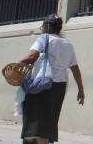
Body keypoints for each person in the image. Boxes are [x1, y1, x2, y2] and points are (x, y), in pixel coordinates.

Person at [12, 14, 85, 144]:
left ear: (47, 26)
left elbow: (32, 55)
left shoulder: (44, 38)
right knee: (48, 122)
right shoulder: (67, 44)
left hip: (41, 85)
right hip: (59, 88)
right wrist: (81, 89)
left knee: (33, 122)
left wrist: (15, 65)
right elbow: (75, 68)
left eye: (42, 26)